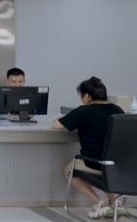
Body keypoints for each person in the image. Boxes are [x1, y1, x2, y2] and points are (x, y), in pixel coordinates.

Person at [53, 77, 125, 219]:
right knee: (107, 172)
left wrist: (60, 118)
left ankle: (99, 203)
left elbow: (57, 125)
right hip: (118, 164)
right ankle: (117, 203)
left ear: (87, 96)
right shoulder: (118, 109)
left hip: (94, 163)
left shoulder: (83, 111)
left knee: (68, 170)